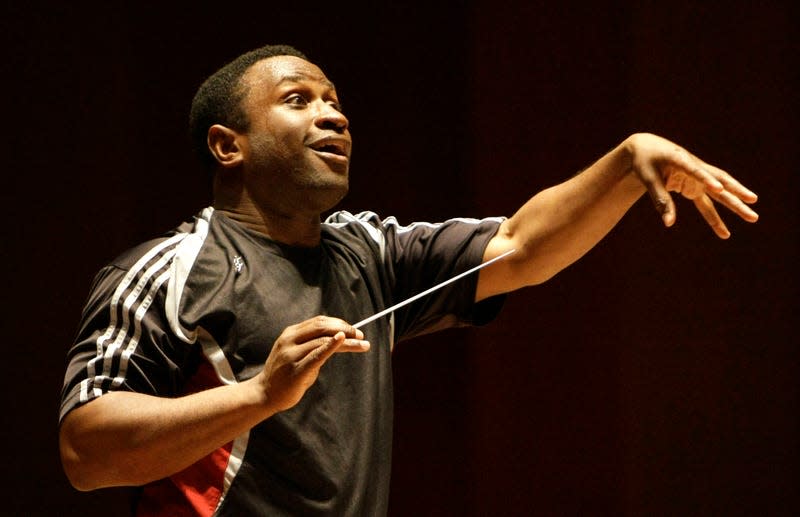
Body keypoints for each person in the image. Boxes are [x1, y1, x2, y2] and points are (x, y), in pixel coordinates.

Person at [58, 43, 759, 516]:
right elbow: (86, 449)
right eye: (298, 99)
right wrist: (260, 395)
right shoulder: (168, 269)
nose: (333, 113)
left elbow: (519, 244)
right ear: (227, 144)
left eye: (335, 100)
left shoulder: (369, 251)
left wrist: (626, 160)